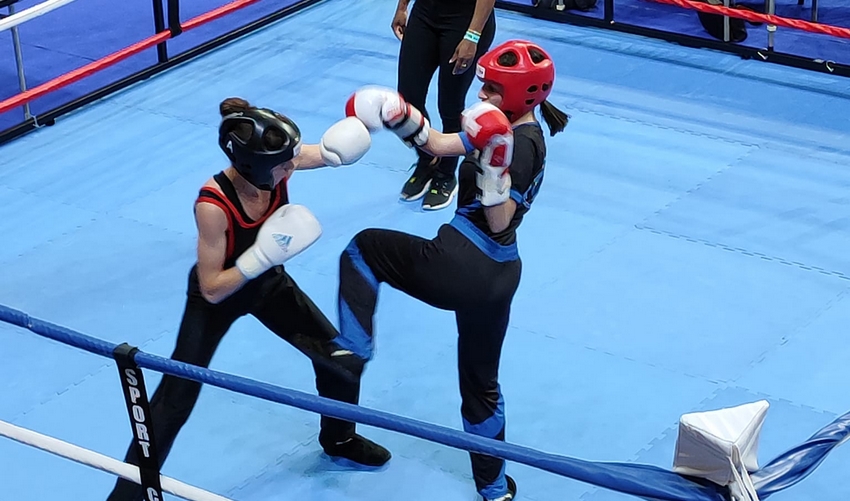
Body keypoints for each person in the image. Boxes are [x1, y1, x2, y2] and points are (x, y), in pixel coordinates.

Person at [106, 98, 390, 501]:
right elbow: (211, 286)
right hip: (217, 298)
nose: (294, 167)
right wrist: (261, 256)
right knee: (175, 398)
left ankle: (340, 439)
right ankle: (126, 496)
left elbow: (323, 155)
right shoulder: (212, 204)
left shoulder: (276, 165)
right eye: (286, 165)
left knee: (341, 362)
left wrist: (362, 129)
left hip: (269, 286)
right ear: (254, 165)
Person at [335, 40, 570, 501]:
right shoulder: (498, 123)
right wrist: (402, 117)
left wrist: (495, 167)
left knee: (363, 249)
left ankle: (352, 352)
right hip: (498, 276)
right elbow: (442, 145)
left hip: (464, 261)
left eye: (493, 89)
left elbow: (499, 219)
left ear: (520, 94)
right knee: (481, 384)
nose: (482, 95)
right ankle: (495, 488)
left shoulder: (521, 146)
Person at [392, 0, 497, 211]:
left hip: (465, 21)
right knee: (407, 99)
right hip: (424, 13)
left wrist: (473, 35)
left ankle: (446, 173)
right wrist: (402, 7)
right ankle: (428, 157)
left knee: (450, 105)